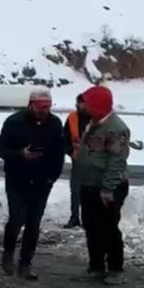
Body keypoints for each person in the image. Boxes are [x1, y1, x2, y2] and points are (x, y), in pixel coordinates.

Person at [0, 87, 66, 281]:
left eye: (48, 107)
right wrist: (20, 154)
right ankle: (8, 254)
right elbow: (0, 150)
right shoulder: (14, 122)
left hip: (42, 181)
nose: (45, 110)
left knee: (34, 223)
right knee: (16, 218)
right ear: (31, 104)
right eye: (41, 107)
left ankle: (25, 263)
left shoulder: (55, 124)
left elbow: (59, 154)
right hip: (17, 179)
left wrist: (53, 177)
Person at [74, 85, 131, 285]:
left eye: (88, 104)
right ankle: (96, 265)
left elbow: (117, 162)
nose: (84, 108)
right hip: (89, 184)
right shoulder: (94, 123)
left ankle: (115, 267)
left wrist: (108, 189)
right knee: (90, 225)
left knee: (107, 227)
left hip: (108, 187)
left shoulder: (115, 128)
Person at [63, 94, 91, 229]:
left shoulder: (96, 119)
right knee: (75, 190)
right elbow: (65, 139)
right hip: (77, 161)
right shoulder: (72, 118)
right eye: (81, 103)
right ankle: (74, 217)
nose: (83, 105)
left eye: (85, 103)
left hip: (94, 163)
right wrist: (70, 151)